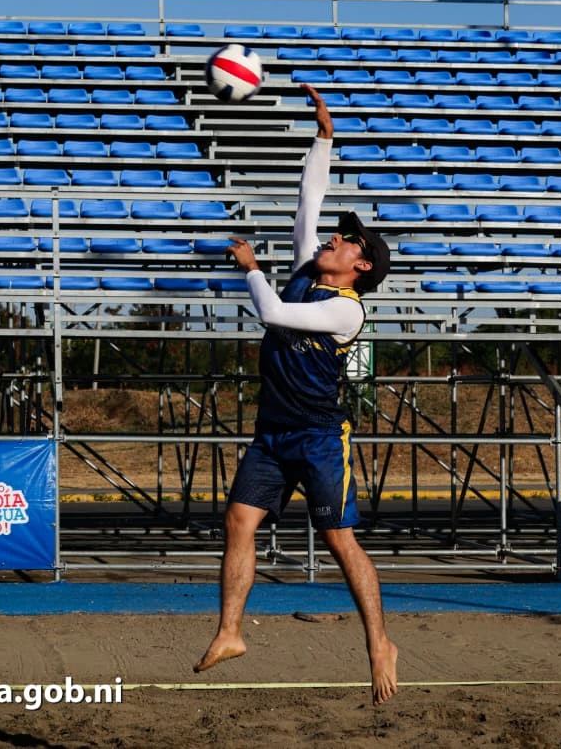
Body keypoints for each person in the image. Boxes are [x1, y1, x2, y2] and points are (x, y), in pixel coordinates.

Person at [194, 83, 398, 705]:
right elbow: (306, 206)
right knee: (238, 521)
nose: (334, 239)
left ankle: (379, 643)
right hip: (273, 430)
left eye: (347, 241)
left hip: (316, 434)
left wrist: (253, 268)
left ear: (360, 266)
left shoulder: (346, 311)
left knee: (340, 541)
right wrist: (323, 136)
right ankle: (230, 632)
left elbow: (276, 316)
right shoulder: (314, 267)